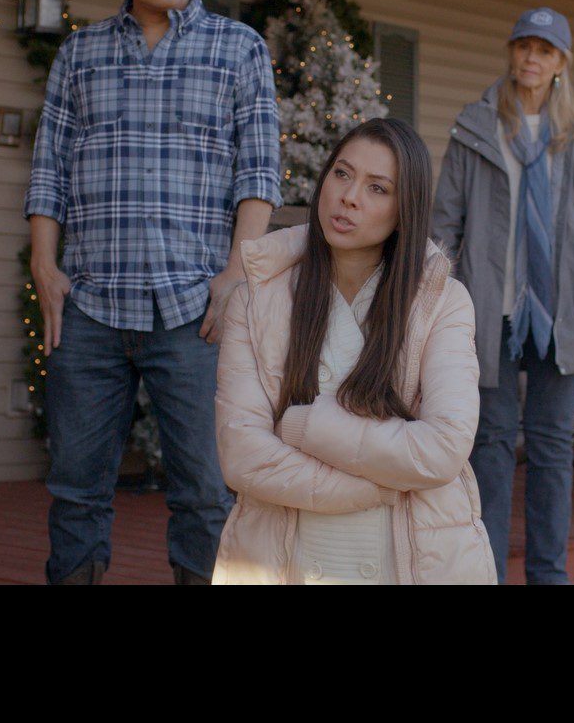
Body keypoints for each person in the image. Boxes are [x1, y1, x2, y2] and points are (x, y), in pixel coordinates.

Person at [26, 0, 281, 585]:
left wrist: (237, 274)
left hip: (193, 309)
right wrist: (46, 266)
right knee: (76, 489)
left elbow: (259, 173)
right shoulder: (80, 56)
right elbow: (49, 171)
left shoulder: (240, 50)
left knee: (204, 492)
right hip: (92, 306)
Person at [212, 118, 495, 584]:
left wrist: (307, 426)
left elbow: (443, 448)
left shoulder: (440, 300)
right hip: (287, 557)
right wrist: (373, 486)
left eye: (377, 188)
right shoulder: (258, 296)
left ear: (406, 209)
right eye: (342, 174)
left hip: (406, 559)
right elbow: (242, 453)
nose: (349, 197)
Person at [431, 6, 574, 584]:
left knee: (551, 449)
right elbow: (446, 221)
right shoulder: (475, 126)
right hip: (494, 309)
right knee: (489, 445)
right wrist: (439, 289)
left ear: (561, 62)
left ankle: (548, 575)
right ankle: (485, 573)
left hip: (561, 313)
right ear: (511, 53)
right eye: (523, 47)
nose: (531, 58)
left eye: (544, 49)